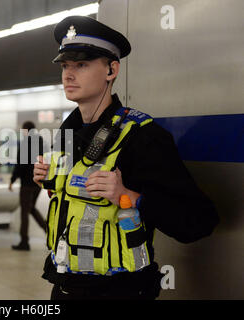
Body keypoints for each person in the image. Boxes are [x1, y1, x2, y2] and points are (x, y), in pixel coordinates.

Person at [33, 16, 219, 300]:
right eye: (65, 66)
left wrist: (129, 196)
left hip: (119, 293)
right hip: (64, 287)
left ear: (111, 69)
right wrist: (49, 182)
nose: (68, 75)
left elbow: (200, 220)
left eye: (81, 65)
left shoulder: (142, 138)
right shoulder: (67, 134)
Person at [9, 121, 46, 251]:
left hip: (26, 183)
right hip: (38, 182)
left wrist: (13, 179)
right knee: (30, 208)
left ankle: (24, 242)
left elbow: (20, 164)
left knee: (25, 212)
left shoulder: (26, 143)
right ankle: (48, 230)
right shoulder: (41, 143)